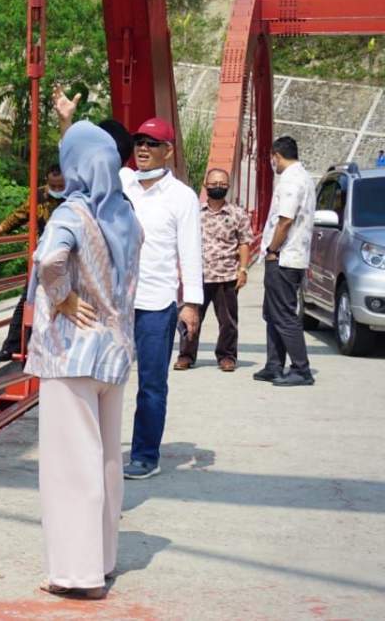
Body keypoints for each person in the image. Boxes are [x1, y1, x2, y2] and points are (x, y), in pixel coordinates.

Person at [26, 121, 142, 600]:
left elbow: (50, 260)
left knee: (71, 464)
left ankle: (78, 574)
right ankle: (104, 558)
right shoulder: (124, 214)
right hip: (113, 351)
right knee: (108, 459)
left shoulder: (71, 214)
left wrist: (61, 297)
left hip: (71, 352)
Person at [120, 117, 204, 481]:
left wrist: (191, 304)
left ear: (168, 151)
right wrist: (66, 124)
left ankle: (144, 455)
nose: (143, 148)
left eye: (152, 143)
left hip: (156, 304)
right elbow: (79, 174)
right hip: (116, 302)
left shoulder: (182, 197)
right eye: (139, 141)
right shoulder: (123, 184)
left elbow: (190, 254)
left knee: (151, 383)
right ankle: (105, 452)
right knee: (103, 380)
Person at [0, 165, 66, 363]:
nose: (56, 188)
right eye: (52, 184)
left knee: (61, 301)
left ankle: (56, 349)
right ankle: (13, 347)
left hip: (67, 257)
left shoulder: (75, 197)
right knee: (26, 301)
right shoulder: (39, 196)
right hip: (44, 255)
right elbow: (18, 216)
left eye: (60, 185)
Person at [175, 168, 253, 372]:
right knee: (190, 319)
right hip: (198, 276)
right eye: (213, 184)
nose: (217, 187)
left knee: (228, 322)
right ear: (205, 186)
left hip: (226, 275)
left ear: (227, 186)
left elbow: (245, 242)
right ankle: (186, 356)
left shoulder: (237, 214)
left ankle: (227, 357)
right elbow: (181, 241)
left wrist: (243, 270)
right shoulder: (194, 213)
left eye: (222, 184)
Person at [255, 136, 317, 387]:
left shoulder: (292, 180)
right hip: (289, 257)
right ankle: (274, 365)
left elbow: (285, 220)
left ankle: (301, 369)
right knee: (272, 313)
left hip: (284, 258)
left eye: (272, 158)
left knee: (283, 314)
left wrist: (272, 249)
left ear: (276, 156)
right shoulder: (303, 177)